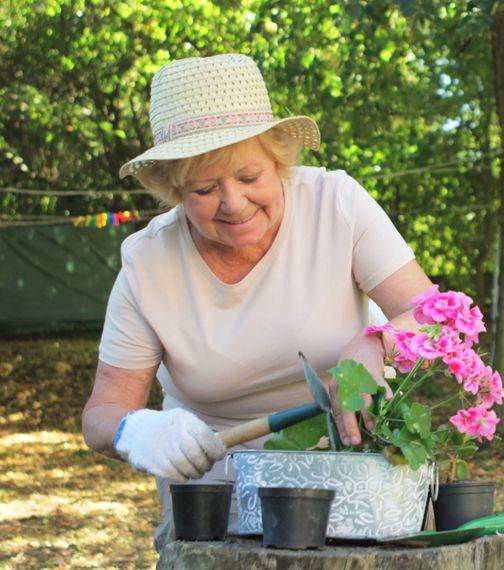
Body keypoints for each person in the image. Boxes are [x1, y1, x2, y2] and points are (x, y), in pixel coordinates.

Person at [80, 54, 433, 550]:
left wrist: (378, 342)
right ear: (175, 190)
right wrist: (135, 431)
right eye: (205, 188)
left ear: (278, 160)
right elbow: (102, 411)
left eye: (249, 177)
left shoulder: (336, 204)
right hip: (215, 488)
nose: (234, 203)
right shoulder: (148, 263)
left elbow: (434, 316)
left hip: (350, 470)